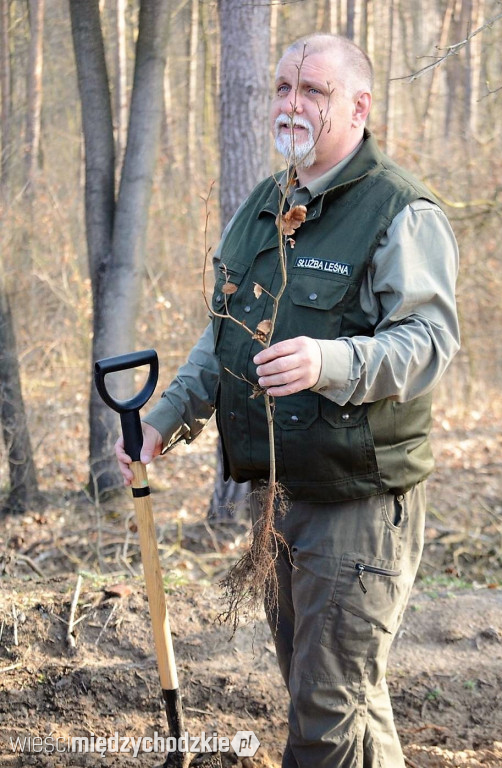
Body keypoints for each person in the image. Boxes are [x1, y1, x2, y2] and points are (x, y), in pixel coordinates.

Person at [116, 34, 459, 768]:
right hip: (281, 499)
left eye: (314, 91)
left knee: (323, 720)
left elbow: (429, 343)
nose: (290, 104)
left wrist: (327, 360)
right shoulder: (266, 205)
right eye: (281, 87)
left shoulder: (399, 211)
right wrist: (164, 420)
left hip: (357, 506)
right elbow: (223, 338)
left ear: (359, 107)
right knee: (341, 703)